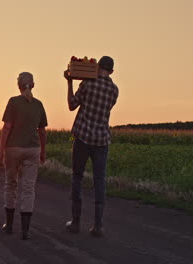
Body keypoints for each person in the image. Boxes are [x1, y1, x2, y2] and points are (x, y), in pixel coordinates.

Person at [63, 56, 119, 237]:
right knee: (99, 181)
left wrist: (70, 82)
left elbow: (72, 104)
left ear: (97, 67)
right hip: (102, 140)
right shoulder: (114, 90)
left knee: (77, 178)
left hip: (83, 137)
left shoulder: (87, 83)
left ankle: (76, 223)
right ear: (111, 71)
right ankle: (98, 226)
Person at [0, 72, 48, 240]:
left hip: (13, 149)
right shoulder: (38, 104)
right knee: (28, 188)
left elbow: (6, 128)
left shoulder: (13, 102)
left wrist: (0, 153)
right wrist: (43, 152)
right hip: (32, 149)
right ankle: (25, 231)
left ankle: (10, 226)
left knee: (10, 185)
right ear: (33, 85)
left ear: (18, 85)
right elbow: (42, 131)